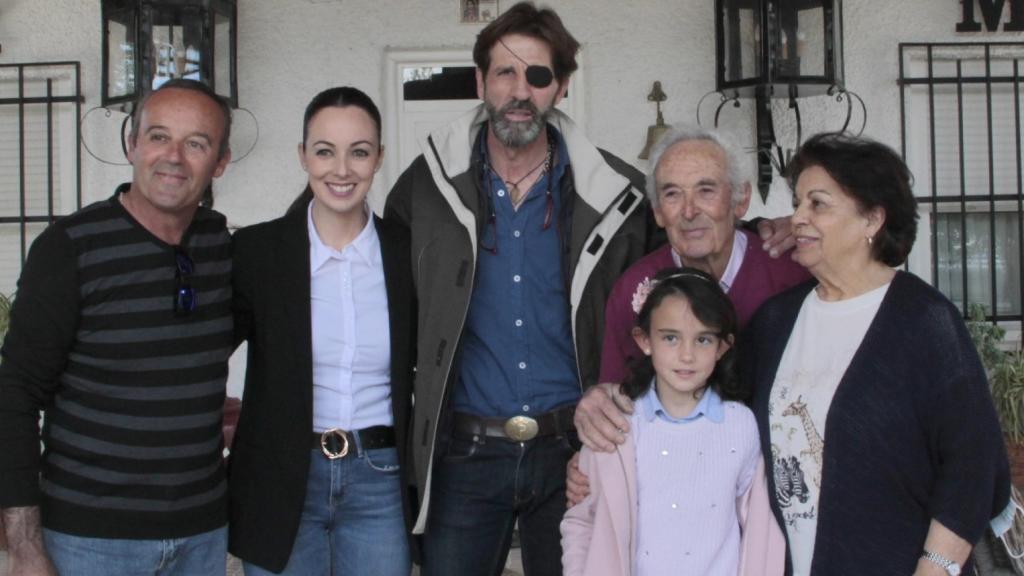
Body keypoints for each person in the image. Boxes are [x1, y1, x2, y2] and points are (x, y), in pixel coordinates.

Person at [384, 3, 652, 574]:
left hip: (575, 452)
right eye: (505, 73)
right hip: (465, 455)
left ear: (561, 87)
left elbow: (658, 304)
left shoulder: (617, 196)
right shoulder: (425, 189)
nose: (519, 91)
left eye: (538, 75)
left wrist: (762, 232)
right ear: (480, 81)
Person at [742, 132, 1010, 575]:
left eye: (818, 204)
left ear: (872, 219)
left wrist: (936, 567)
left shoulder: (924, 322)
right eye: (798, 202)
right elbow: (718, 412)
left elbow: (973, 464)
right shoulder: (776, 322)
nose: (797, 218)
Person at [0, 78, 234, 575]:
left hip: (202, 536)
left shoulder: (222, 246)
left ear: (220, 162)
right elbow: (15, 395)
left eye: (196, 143)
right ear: (131, 144)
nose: (173, 156)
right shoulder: (69, 248)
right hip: (90, 540)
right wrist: (23, 546)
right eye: (158, 136)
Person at [565, 125, 809, 504]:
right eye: (672, 195)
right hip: (679, 489)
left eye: (706, 190)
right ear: (659, 213)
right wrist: (594, 460)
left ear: (741, 200)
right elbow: (615, 399)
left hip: (782, 484)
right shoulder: (635, 288)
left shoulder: (792, 271)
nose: (690, 211)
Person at [227, 87, 415, 575]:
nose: (342, 169)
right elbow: (201, 349)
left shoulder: (408, 253)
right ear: (302, 156)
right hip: (285, 476)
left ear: (378, 158)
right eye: (324, 151)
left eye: (359, 152)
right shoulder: (257, 252)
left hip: (381, 476)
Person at [560, 267, 785, 576]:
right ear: (644, 340)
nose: (687, 355)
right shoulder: (614, 424)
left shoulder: (741, 425)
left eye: (703, 340)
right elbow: (582, 519)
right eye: (670, 338)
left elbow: (759, 527)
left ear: (723, 346)